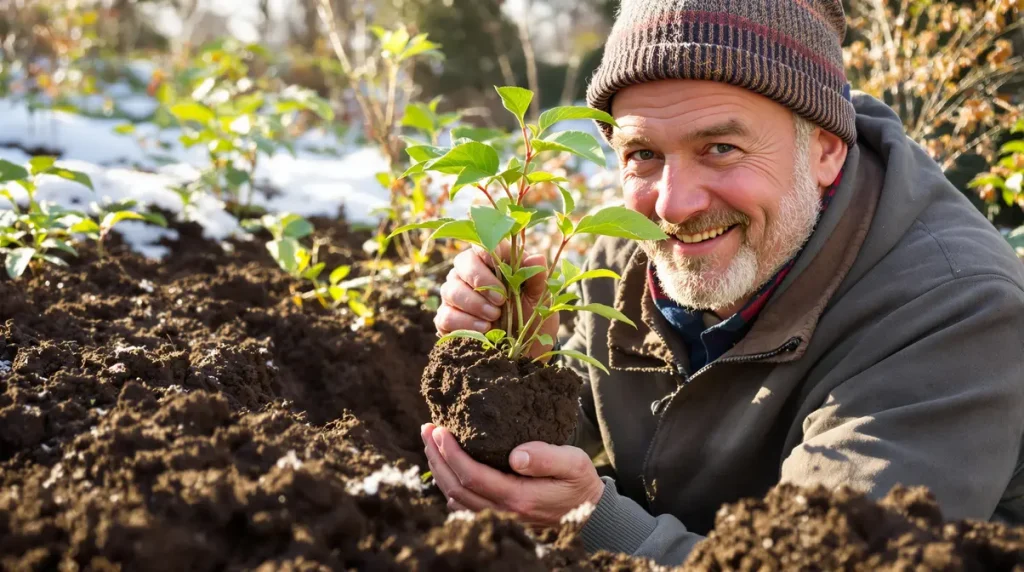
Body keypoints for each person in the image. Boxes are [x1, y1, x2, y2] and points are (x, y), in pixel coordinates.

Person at [422, 0, 1024, 565]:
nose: (674, 205)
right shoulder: (631, 259)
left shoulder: (953, 312)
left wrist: (589, 521)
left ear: (825, 151)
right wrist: (517, 366)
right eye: (643, 154)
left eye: (720, 147)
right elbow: (567, 444)